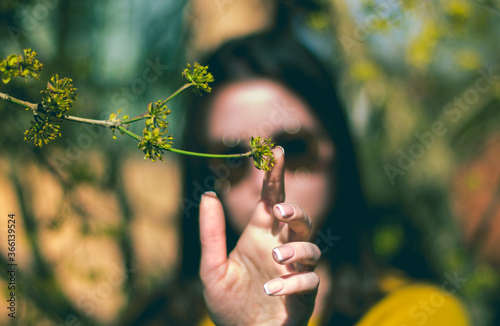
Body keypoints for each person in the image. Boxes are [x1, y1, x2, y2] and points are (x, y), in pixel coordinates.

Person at [175, 29, 471, 326]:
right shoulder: (160, 319)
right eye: (233, 160)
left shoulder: (421, 314)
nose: (264, 179)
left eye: (294, 148)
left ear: (337, 150)